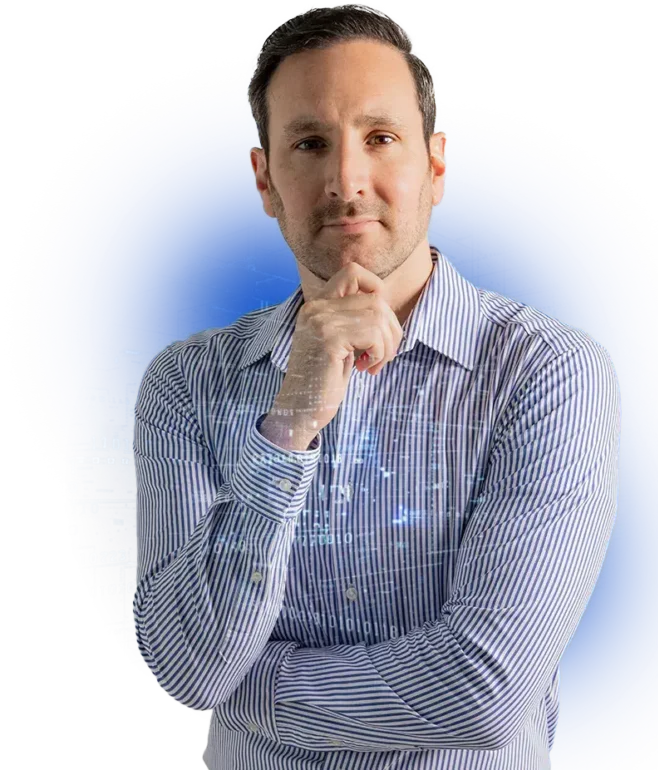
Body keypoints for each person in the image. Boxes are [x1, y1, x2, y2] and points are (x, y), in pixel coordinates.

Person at [131, 3, 622, 769]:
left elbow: (483, 692)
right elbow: (187, 671)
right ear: (265, 179)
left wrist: (253, 693)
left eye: (380, 137)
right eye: (310, 144)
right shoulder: (186, 384)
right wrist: (290, 424)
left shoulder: (550, 371)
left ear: (435, 165)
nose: (345, 181)